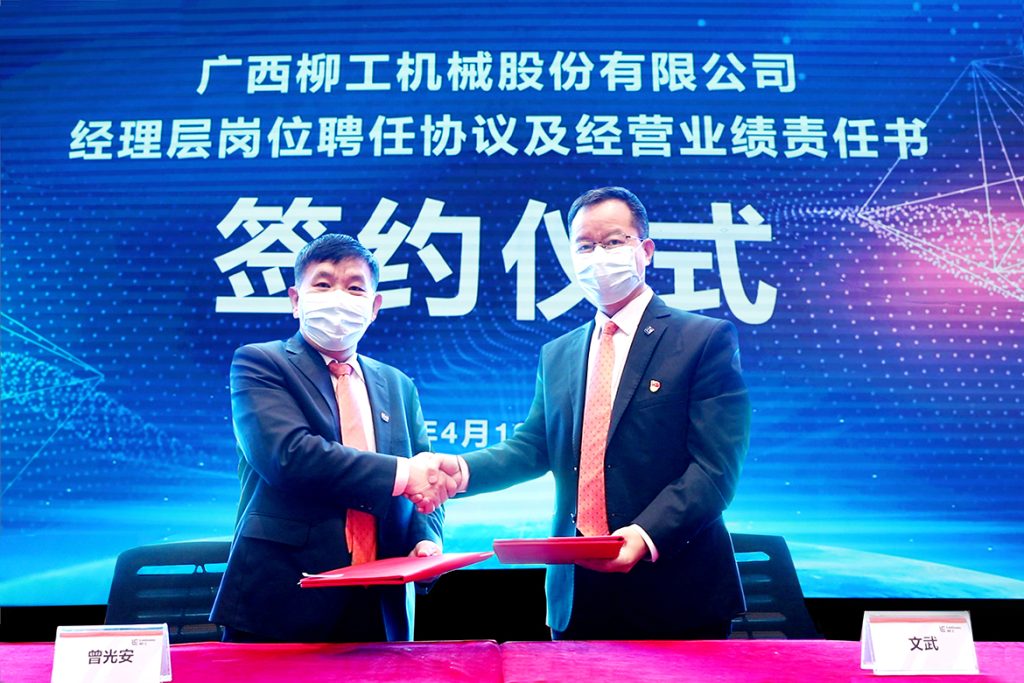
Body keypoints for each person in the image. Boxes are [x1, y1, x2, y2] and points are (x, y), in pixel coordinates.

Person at [431, 186, 751, 640]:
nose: (598, 256)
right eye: (584, 246)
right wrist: (460, 472)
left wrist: (643, 535)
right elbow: (534, 446)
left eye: (614, 241)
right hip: (577, 592)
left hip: (676, 591)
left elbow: (715, 469)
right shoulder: (558, 353)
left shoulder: (703, 339)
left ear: (646, 250)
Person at [211, 233, 459, 643]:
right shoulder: (260, 363)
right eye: (323, 284)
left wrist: (425, 539)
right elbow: (289, 457)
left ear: (375, 307)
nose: (339, 297)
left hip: (381, 599)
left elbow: (425, 477)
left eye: (355, 288)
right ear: (296, 300)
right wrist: (405, 474)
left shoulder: (398, 384)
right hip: (284, 596)